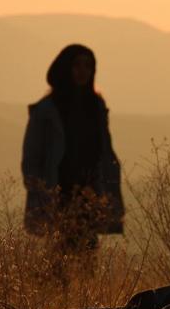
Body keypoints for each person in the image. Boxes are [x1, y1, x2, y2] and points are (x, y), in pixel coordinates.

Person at [21, 44, 124, 252]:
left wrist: (107, 192)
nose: (82, 71)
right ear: (65, 68)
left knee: (87, 255)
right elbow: (31, 158)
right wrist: (41, 193)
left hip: (90, 194)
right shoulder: (46, 110)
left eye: (88, 66)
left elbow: (105, 152)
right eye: (77, 65)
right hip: (58, 194)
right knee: (61, 256)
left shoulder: (96, 107)